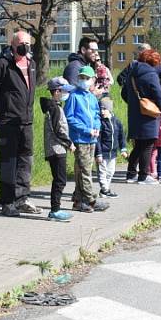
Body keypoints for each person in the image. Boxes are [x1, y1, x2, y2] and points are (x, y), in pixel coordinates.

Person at [0, 31, 40, 217]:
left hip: (27, 121)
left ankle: (21, 198)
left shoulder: (32, 64)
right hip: (8, 122)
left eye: (28, 43)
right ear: (13, 44)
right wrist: (2, 110)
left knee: (26, 160)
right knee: (9, 162)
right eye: (22, 43)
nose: (26, 46)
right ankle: (7, 202)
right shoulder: (2, 65)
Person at [64, 66, 109, 213]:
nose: (83, 80)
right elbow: (69, 117)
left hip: (92, 138)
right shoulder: (73, 96)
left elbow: (96, 115)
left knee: (82, 169)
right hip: (80, 138)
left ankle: (78, 200)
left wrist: (96, 128)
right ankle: (90, 199)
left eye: (86, 78)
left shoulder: (91, 97)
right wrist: (86, 129)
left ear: (92, 80)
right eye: (81, 77)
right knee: (85, 170)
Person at [120, 49, 161, 185]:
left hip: (134, 114)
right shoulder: (151, 74)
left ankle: (131, 174)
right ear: (154, 61)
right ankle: (144, 176)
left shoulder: (131, 73)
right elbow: (158, 93)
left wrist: (134, 104)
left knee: (138, 145)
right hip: (148, 115)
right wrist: (160, 108)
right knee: (148, 145)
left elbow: (124, 93)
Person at [40, 77, 74, 221]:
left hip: (57, 148)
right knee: (60, 180)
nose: (67, 93)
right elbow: (57, 130)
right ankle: (55, 210)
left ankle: (56, 209)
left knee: (59, 179)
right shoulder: (54, 108)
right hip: (56, 149)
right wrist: (69, 143)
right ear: (57, 91)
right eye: (65, 90)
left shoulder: (55, 106)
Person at [96, 97, 127, 198]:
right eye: (100, 109)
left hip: (113, 152)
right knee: (102, 172)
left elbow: (121, 136)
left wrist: (123, 148)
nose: (102, 111)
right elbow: (98, 140)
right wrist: (98, 153)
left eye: (104, 109)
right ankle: (105, 189)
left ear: (109, 109)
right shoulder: (100, 122)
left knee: (110, 172)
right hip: (103, 153)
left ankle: (104, 190)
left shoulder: (116, 122)